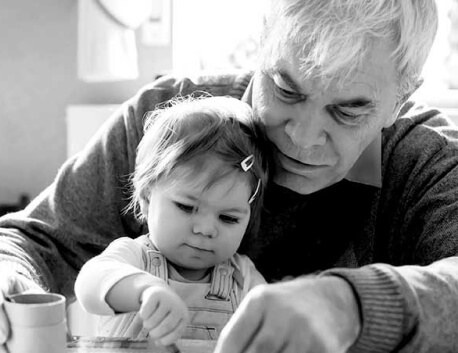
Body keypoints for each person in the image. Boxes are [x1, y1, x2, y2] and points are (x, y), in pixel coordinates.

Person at [0, 0, 455, 352]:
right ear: (262, 43)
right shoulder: (171, 121)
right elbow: (36, 241)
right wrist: (7, 277)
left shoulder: (423, 160)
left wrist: (352, 305)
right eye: (286, 89)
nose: (303, 137)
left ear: (401, 96)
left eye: (348, 111)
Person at [73, 95, 269, 346]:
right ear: (146, 199)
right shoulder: (135, 258)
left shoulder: (242, 277)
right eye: (187, 207)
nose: (206, 229)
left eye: (228, 218)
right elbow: (89, 284)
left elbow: (275, 324)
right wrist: (144, 290)